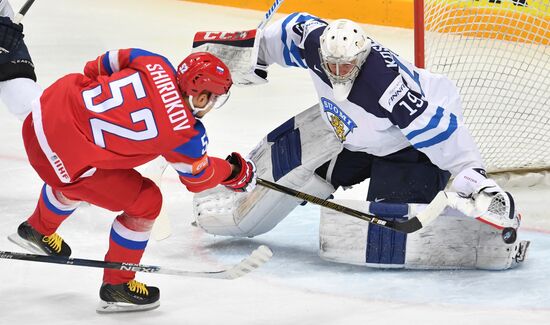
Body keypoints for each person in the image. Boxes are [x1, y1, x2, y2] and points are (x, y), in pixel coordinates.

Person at [193, 13, 526, 270]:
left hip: (408, 148)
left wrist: (473, 174)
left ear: (362, 55)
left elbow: (441, 132)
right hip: (349, 133)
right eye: (331, 65)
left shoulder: (387, 88)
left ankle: (490, 239)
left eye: (346, 65)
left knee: (389, 229)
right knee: (300, 173)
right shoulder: (313, 41)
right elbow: (282, 34)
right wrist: (247, 51)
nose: (338, 72)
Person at [0, 7, 256, 313]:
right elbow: (197, 180)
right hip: (61, 162)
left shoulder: (153, 61)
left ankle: (38, 229)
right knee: (145, 200)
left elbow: (97, 65)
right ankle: (118, 284)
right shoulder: (184, 134)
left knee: (99, 165)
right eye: (212, 98)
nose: (212, 105)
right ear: (200, 96)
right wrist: (233, 172)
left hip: (42, 114)